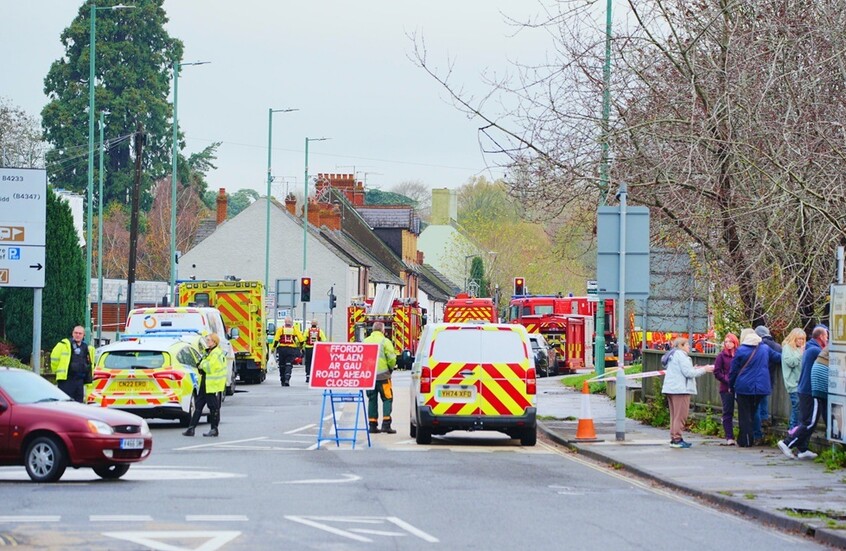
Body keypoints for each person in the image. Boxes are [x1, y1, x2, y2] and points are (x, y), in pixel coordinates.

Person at [777, 326, 829, 459]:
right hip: (811, 390)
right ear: (821, 337)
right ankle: (787, 443)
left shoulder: (808, 349)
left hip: (803, 388)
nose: (828, 339)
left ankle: (802, 449)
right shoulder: (815, 350)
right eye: (826, 336)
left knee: (805, 420)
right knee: (810, 422)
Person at [730, 328, 781, 448]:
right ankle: (751, 437)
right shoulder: (765, 348)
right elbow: (779, 357)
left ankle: (746, 440)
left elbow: (733, 370)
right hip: (761, 387)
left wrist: (731, 385)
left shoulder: (741, 350)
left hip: (744, 387)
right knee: (753, 412)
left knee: (744, 414)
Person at [661, 337, 714, 448]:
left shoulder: (673, 355)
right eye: (687, 345)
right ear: (681, 346)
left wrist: (693, 368)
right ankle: (677, 439)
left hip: (671, 388)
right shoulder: (681, 356)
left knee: (674, 415)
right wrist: (705, 369)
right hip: (680, 389)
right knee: (681, 416)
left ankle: (674, 437)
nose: (689, 347)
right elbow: (688, 373)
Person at [183, 333, 227, 437]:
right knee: (198, 405)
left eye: (209, 340)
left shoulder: (216, 353)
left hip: (211, 383)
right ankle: (191, 429)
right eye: (207, 340)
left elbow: (209, 367)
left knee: (213, 406)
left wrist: (201, 365)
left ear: (214, 342)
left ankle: (214, 429)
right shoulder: (210, 352)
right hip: (205, 382)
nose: (207, 342)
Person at [365, 321, 398, 434]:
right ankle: (386, 424)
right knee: (387, 399)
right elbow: (392, 358)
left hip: (369, 377)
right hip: (383, 376)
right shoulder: (385, 341)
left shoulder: (365, 341)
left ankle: (372, 425)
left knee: (372, 399)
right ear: (383, 330)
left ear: (373, 330)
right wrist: (391, 369)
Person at [50, 325, 95, 403]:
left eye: (80, 333)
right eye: (76, 333)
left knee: (78, 404)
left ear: (83, 335)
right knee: (65, 403)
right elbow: (54, 359)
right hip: (66, 380)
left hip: (80, 381)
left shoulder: (87, 347)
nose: (77, 335)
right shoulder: (63, 345)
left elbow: (90, 363)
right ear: (72, 333)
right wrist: (58, 372)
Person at [753, 325, 782, 439]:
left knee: (757, 403)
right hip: (770, 377)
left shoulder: (759, 345)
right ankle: (765, 417)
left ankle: (760, 424)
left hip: (758, 378)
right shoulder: (777, 346)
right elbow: (780, 358)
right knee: (764, 398)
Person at [713, 333, 739, 445]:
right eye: (726, 342)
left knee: (743, 411)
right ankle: (729, 436)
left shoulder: (739, 354)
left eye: (730, 341)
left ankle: (742, 435)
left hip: (739, 386)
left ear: (735, 343)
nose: (728, 344)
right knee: (728, 411)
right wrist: (726, 380)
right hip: (726, 387)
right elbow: (717, 372)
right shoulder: (721, 356)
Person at [781, 328, 806, 430]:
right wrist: (801, 353)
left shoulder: (800, 349)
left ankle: (796, 428)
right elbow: (791, 362)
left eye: (803, 339)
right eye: (799, 339)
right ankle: (792, 428)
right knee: (797, 406)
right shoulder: (787, 348)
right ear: (794, 338)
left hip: (801, 383)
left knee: (800, 407)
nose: (801, 341)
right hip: (793, 383)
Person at [272, 317, 304, 386]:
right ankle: (287, 379)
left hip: (282, 349)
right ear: (291, 323)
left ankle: (282, 379)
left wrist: (273, 348)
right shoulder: (294, 329)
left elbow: (276, 340)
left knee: (282, 365)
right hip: (291, 349)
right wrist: (300, 347)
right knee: (289, 364)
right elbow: (301, 340)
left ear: (285, 322)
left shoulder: (281, 329)